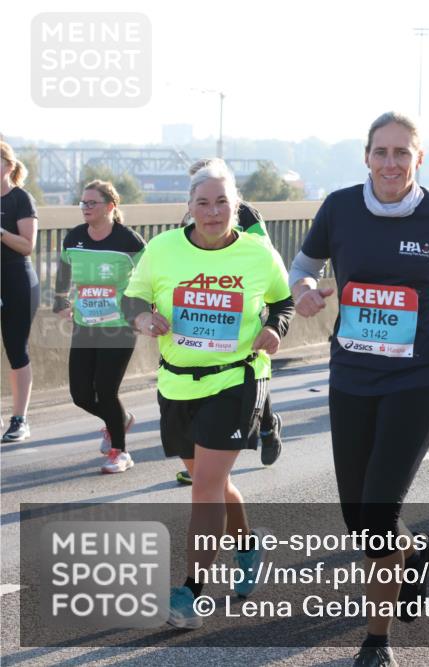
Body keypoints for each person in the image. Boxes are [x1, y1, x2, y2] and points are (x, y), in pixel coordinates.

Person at [288, 112, 429, 667]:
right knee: (358, 517)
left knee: (378, 511)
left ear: (418, 158)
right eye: (381, 152)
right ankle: (417, 549)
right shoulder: (340, 207)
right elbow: (301, 267)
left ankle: (377, 640)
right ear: (367, 157)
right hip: (351, 375)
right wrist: (303, 290)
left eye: (403, 152)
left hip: (417, 375)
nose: (391, 163)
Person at [123, 158, 294, 628]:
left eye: (222, 202)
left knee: (203, 489)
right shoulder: (162, 249)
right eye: (203, 202)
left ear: (237, 205)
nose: (213, 211)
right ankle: (247, 544)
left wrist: (276, 328)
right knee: (213, 482)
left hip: (237, 378)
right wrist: (140, 318)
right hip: (177, 380)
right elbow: (133, 296)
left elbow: (283, 300)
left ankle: (189, 593)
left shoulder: (259, 254)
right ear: (189, 207)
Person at [175, 161, 283, 485]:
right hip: (199, 305)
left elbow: (264, 254)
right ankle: (203, 459)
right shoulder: (189, 213)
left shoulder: (246, 213)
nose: (210, 209)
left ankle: (266, 427)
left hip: (242, 302)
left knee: (243, 370)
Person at [53, 180, 146, 473]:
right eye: (82, 203)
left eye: (91, 203)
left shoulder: (129, 242)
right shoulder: (75, 237)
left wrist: (144, 312)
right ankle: (120, 419)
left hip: (119, 325)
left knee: (106, 389)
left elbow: (149, 277)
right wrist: (60, 299)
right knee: (81, 395)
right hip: (84, 324)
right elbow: (64, 268)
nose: (85, 208)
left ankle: (120, 452)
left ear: (110, 206)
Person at [0, 142, 39, 443]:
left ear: (9, 166)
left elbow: (28, 245)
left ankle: (19, 419)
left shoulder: (20, 199)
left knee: (16, 349)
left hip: (15, 279)